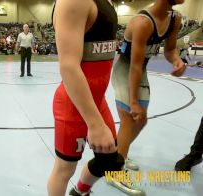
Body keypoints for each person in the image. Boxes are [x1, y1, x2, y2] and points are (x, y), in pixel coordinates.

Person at [47, 0, 134, 196]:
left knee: (110, 161)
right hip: (73, 106)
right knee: (65, 168)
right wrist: (95, 124)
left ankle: (79, 192)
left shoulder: (106, 2)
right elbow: (68, 66)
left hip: (97, 102)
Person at [110, 0, 186, 193]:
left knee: (141, 121)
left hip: (139, 71)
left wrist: (176, 61)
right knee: (128, 119)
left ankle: (118, 155)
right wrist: (133, 102)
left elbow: (169, 50)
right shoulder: (143, 22)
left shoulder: (175, 19)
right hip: (125, 71)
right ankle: (115, 171)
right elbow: (134, 65)